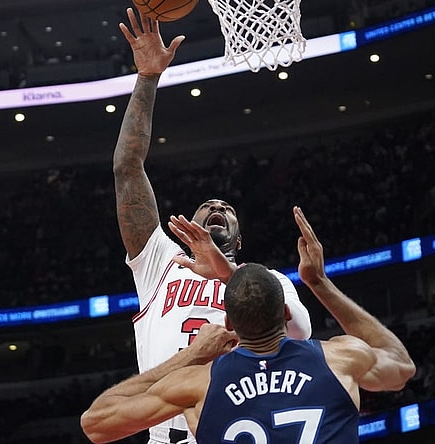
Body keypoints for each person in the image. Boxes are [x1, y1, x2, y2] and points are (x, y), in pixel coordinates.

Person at [111, 8, 311, 444]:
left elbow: (299, 332)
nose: (217, 206)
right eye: (206, 206)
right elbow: (127, 168)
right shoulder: (160, 261)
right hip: (168, 435)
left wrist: (227, 272)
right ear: (189, 226)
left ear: (239, 239)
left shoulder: (267, 282)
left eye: (225, 208)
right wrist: (147, 78)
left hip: (243, 430)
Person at [81, 206, 416, 443]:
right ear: (285, 313)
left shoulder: (202, 384)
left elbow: (96, 423)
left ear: (227, 322)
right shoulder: (338, 359)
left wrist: (192, 355)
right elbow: (400, 364)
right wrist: (319, 283)